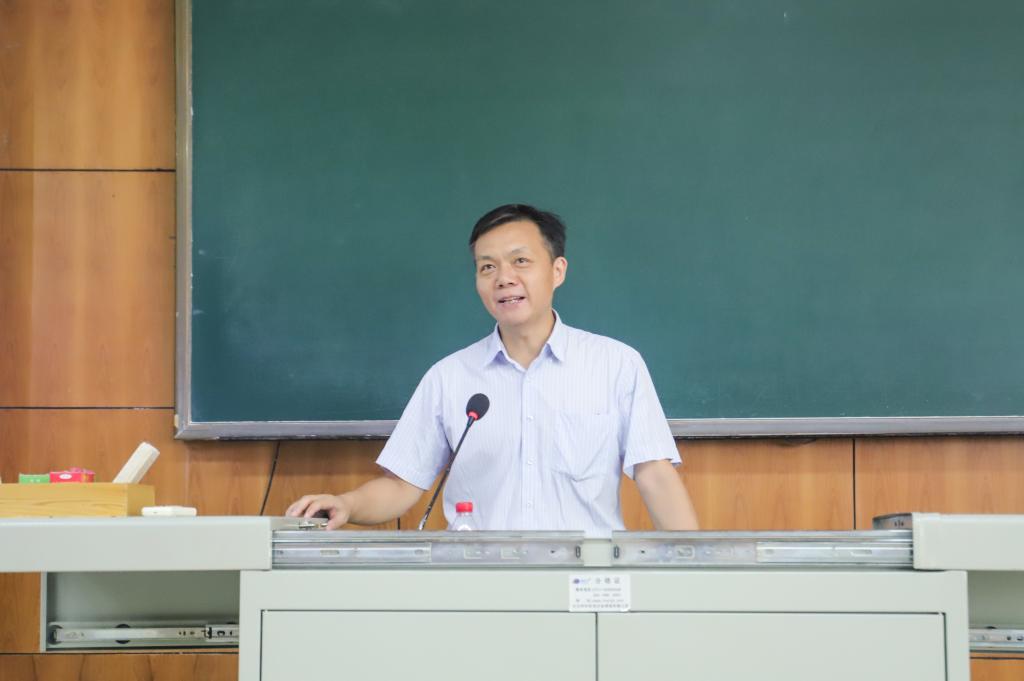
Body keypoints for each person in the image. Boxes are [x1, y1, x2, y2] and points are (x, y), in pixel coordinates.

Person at [287, 204, 699, 534]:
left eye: (520, 261)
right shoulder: (450, 377)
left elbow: (654, 475)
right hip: (480, 584)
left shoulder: (615, 364)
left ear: (557, 271)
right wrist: (346, 504)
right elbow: (401, 484)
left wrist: (695, 569)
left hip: (584, 585)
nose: (503, 278)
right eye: (487, 267)